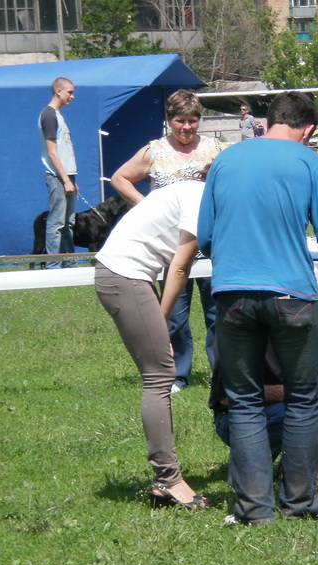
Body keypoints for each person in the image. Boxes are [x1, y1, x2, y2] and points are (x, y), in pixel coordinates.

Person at [198, 91, 318, 525]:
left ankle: (253, 510)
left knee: (244, 402)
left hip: (231, 294)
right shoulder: (312, 163)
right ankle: (300, 506)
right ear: (309, 130)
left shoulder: (225, 160)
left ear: (267, 122)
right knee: (303, 400)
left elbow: (205, 236)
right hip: (292, 297)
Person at [95, 179, 209, 509]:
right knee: (159, 376)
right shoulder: (200, 200)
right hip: (125, 277)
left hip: (124, 275)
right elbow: (179, 268)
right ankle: (168, 480)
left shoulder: (193, 191)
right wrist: (161, 320)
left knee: (160, 371)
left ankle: (166, 479)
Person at [111, 90, 222, 393]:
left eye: (193, 120)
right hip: (170, 249)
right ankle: (177, 374)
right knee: (175, 315)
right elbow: (120, 178)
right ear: (169, 120)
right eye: (180, 121)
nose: (187, 127)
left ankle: (222, 373)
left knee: (218, 314)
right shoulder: (155, 150)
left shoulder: (215, 149)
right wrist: (145, 205)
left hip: (208, 245)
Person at [38, 77, 78, 269]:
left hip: (66, 176)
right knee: (56, 223)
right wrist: (65, 180)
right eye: (70, 92)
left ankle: (69, 263)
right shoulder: (49, 115)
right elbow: (52, 152)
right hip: (57, 177)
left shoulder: (58, 115)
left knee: (69, 222)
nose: (72, 96)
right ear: (58, 91)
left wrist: (71, 179)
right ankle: (53, 266)